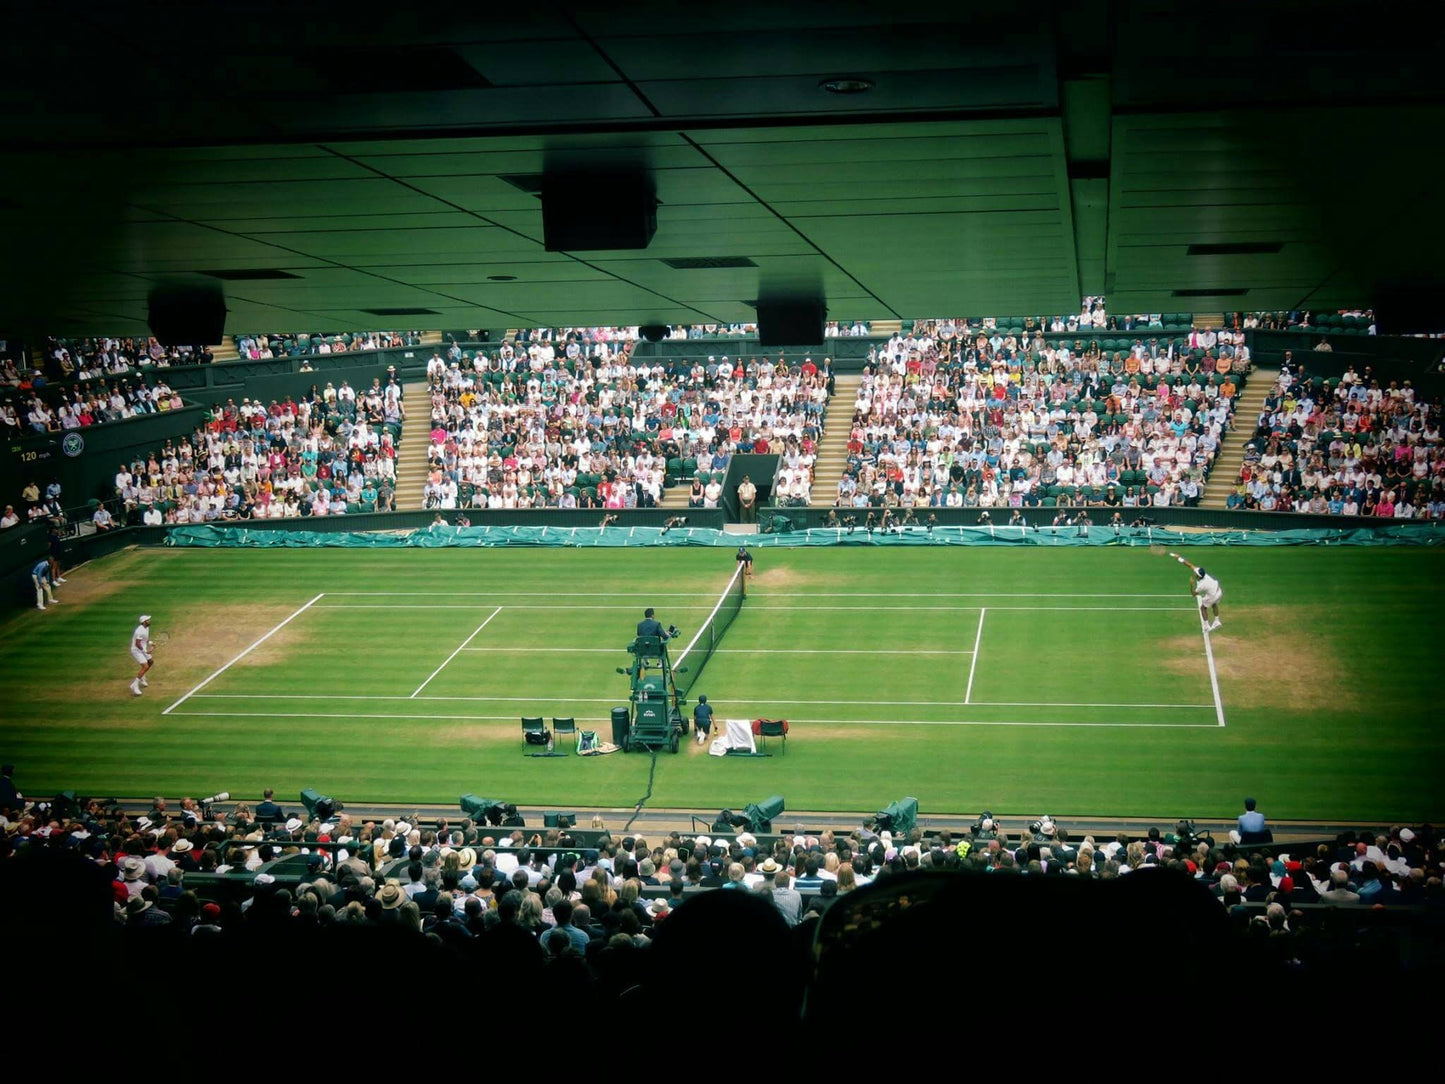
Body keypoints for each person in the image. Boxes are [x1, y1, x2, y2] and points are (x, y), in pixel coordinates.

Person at [1176, 556, 1223, 631]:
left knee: (1203, 608)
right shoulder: (1204, 574)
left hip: (1213, 595)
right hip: (1218, 591)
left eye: (1196, 574)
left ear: (1199, 576)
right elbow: (1190, 565)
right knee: (1214, 604)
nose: (1195, 573)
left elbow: (1193, 594)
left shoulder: (1202, 585)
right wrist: (1179, 558)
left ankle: (1206, 626)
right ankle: (1217, 621)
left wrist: (1191, 585)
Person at [129, 614, 154, 697]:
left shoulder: (147, 628)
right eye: (148, 620)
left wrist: (150, 643)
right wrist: (145, 651)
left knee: (150, 662)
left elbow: (145, 639)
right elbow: (137, 643)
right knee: (145, 666)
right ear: (144, 622)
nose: (149, 621)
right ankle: (134, 685)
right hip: (136, 650)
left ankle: (142, 677)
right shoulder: (139, 631)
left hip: (142, 649)